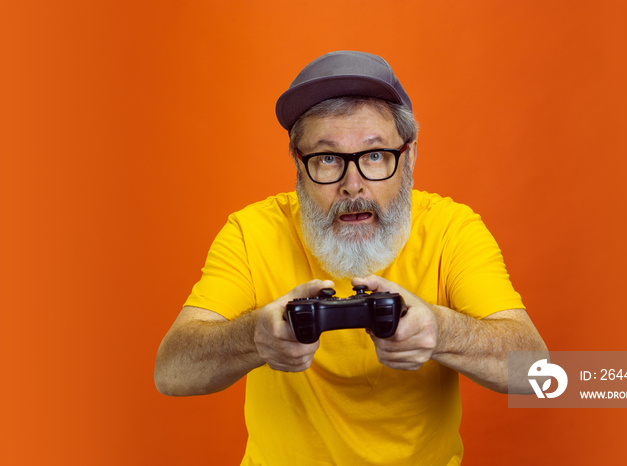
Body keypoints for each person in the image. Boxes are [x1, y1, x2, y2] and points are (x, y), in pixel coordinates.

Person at [155, 50, 548, 465]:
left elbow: (537, 372)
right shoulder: (253, 232)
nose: (353, 185)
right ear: (298, 164)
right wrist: (255, 336)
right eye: (327, 159)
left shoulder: (452, 230)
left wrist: (441, 331)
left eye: (375, 155)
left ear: (409, 156)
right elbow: (171, 372)